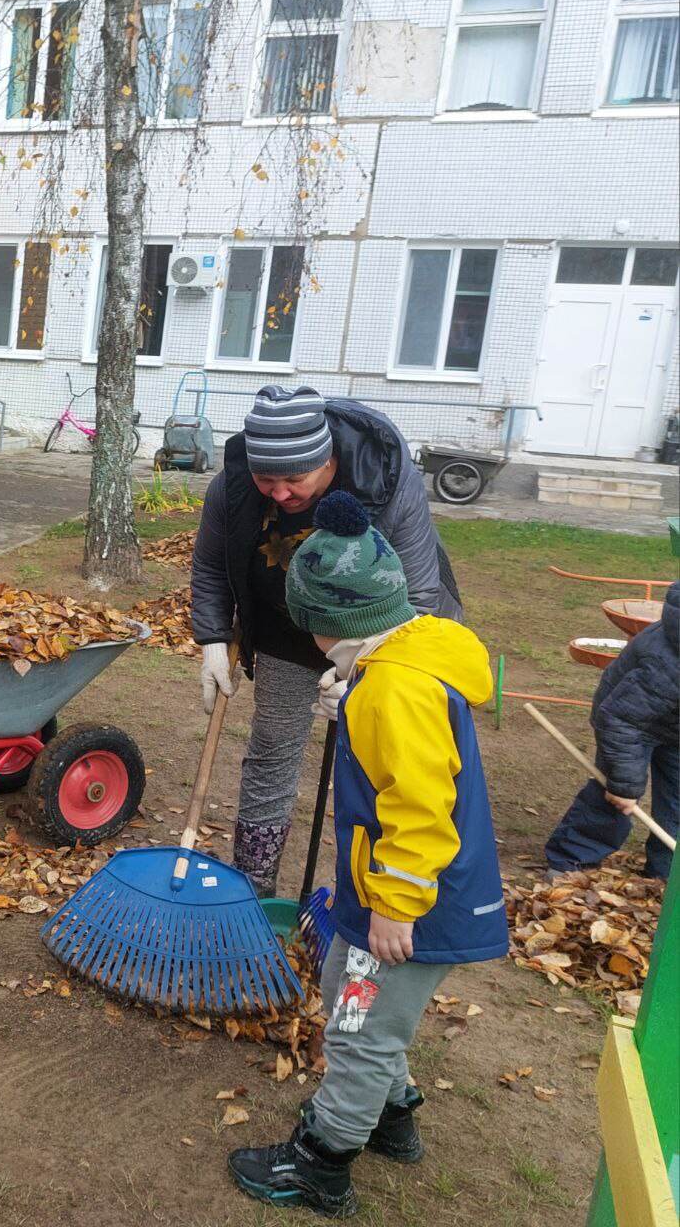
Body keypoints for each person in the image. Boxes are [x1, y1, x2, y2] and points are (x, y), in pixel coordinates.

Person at [227, 492, 507, 1218]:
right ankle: (393, 1114)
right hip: (386, 892)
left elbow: (419, 807)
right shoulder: (399, 661)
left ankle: (322, 1163)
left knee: (357, 1025)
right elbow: (398, 759)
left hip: (412, 905)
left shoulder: (398, 691)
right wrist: (352, 698)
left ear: (328, 624)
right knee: (346, 995)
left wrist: (393, 906)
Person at [191, 384, 462, 894]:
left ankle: (380, 898)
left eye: (295, 479)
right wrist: (210, 639)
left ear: (328, 459)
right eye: (265, 479)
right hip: (284, 631)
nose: (279, 494)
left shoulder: (384, 476)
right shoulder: (232, 485)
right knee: (273, 749)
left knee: (381, 762)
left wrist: (367, 669)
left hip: (377, 636)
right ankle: (254, 886)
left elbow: (420, 588)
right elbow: (209, 564)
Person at [545, 580, 678, 881]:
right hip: (628, 722)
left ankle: (667, 875)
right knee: (613, 795)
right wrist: (625, 785)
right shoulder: (668, 663)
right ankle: (571, 861)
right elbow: (621, 720)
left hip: (674, 724)